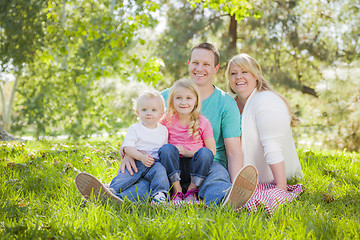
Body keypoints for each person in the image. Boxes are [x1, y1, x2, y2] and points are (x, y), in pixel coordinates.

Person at [120, 43, 258, 209]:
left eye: (206, 64)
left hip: (207, 165)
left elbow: (233, 151)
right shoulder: (166, 96)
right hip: (166, 165)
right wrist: (127, 151)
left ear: (216, 68)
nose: (200, 68)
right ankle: (117, 197)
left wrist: (235, 183)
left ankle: (227, 199)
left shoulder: (225, 103)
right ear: (189, 64)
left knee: (217, 178)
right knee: (146, 179)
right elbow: (141, 126)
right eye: (195, 63)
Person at [75, 90, 169, 204]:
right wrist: (140, 157)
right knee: (125, 177)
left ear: (162, 113)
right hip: (136, 162)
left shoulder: (163, 130)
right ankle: (110, 190)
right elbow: (128, 147)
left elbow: (164, 149)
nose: (149, 113)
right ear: (138, 112)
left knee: (160, 172)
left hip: (153, 164)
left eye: (154, 110)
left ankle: (159, 195)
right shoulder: (135, 128)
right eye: (144, 110)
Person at [226, 53, 303, 191]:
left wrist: (280, 187)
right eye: (233, 73)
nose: (238, 77)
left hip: (265, 176)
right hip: (236, 174)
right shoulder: (230, 104)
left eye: (244, 71)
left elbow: (272, 146)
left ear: (256, 75)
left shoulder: (267, 102)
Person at [158, 79, 216, 202]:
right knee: (166, 149)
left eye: (188, 98)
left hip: (195, 168)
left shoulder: (203, 122)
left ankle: (192, 191)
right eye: (179, 98)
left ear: (195, 101)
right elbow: (149, 136)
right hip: (173, 167)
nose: (183, 102)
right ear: (172, 101)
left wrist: (186, 152)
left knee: (205, 152)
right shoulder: (165, 120)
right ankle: (177, 192)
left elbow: (212, 151)